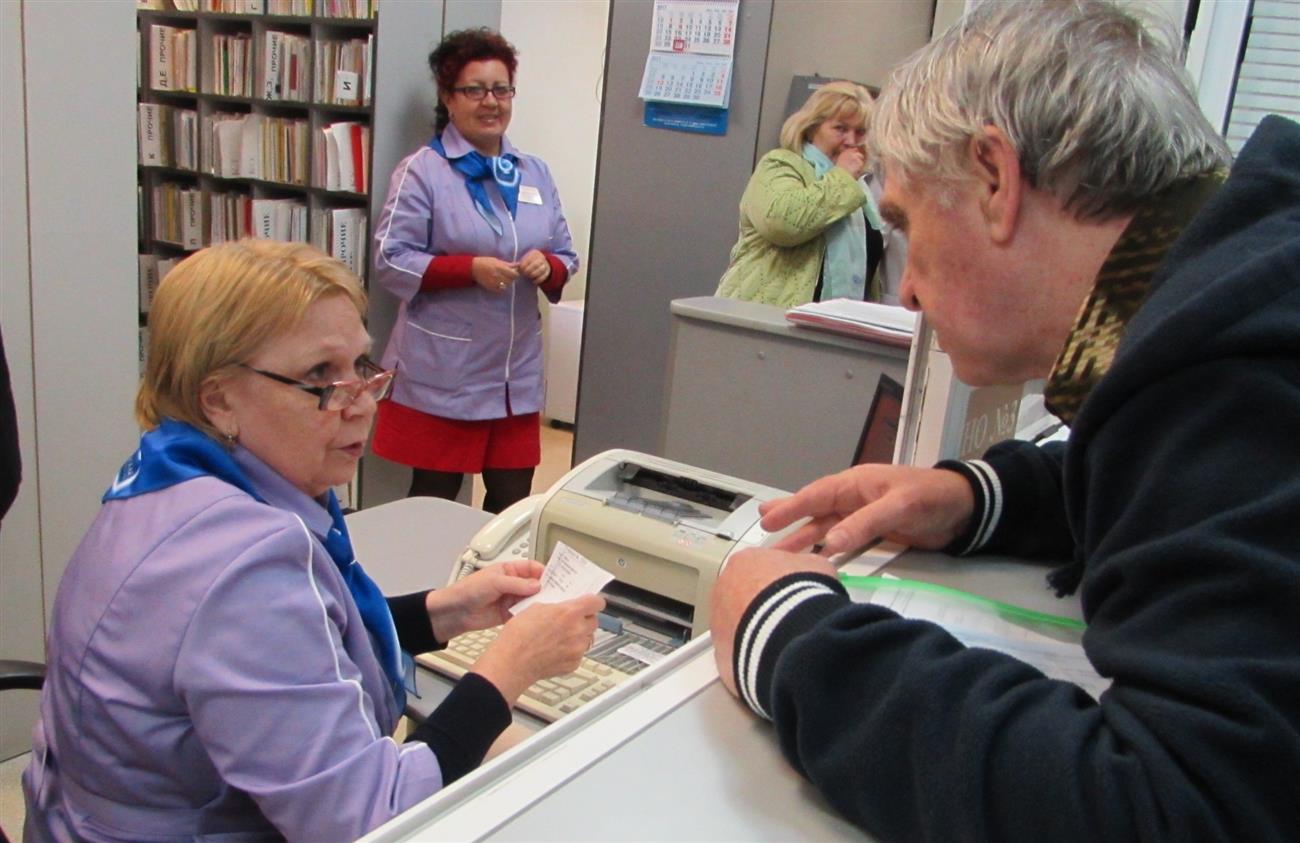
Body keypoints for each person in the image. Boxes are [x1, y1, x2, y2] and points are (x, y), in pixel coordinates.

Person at [710, 1, 1300, 840]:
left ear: (995, 177)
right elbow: (1185, 489)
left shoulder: (1235, 367)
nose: (908, 288)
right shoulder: (1224, 298)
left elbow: (1175, 808)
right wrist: (978, 496)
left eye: (909, 224)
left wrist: (794, 640)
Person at [22, 240, 604, 841]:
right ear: (218, 398)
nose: (361, 406)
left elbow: (270, 651)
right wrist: (511, 668)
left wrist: (442, 611)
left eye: (362, 367)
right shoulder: (244, 567)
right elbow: (373, 819)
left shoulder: (175, 473)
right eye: (319, 378)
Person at [372, 27, 578, 514]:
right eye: (475, 90)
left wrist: (546, 265)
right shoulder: (423, 171)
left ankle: (494, 589)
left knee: (510, 505)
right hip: (448, 371)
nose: (491, 102)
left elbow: (566, 255)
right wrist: (469, 270)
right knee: (433, 503)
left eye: (501, 89)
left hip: (514, 373)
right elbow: (390, 257)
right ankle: (422, 591)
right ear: (448, 97)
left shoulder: (533, 171)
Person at [715, 80, 901, 308]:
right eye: (840, 128)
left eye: (860, 132)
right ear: (812, 128)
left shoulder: (859, 189)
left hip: (836, 329)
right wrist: (842, 177)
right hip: (765, 323)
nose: (851, 141)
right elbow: (782, 222)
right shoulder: (781, 165)